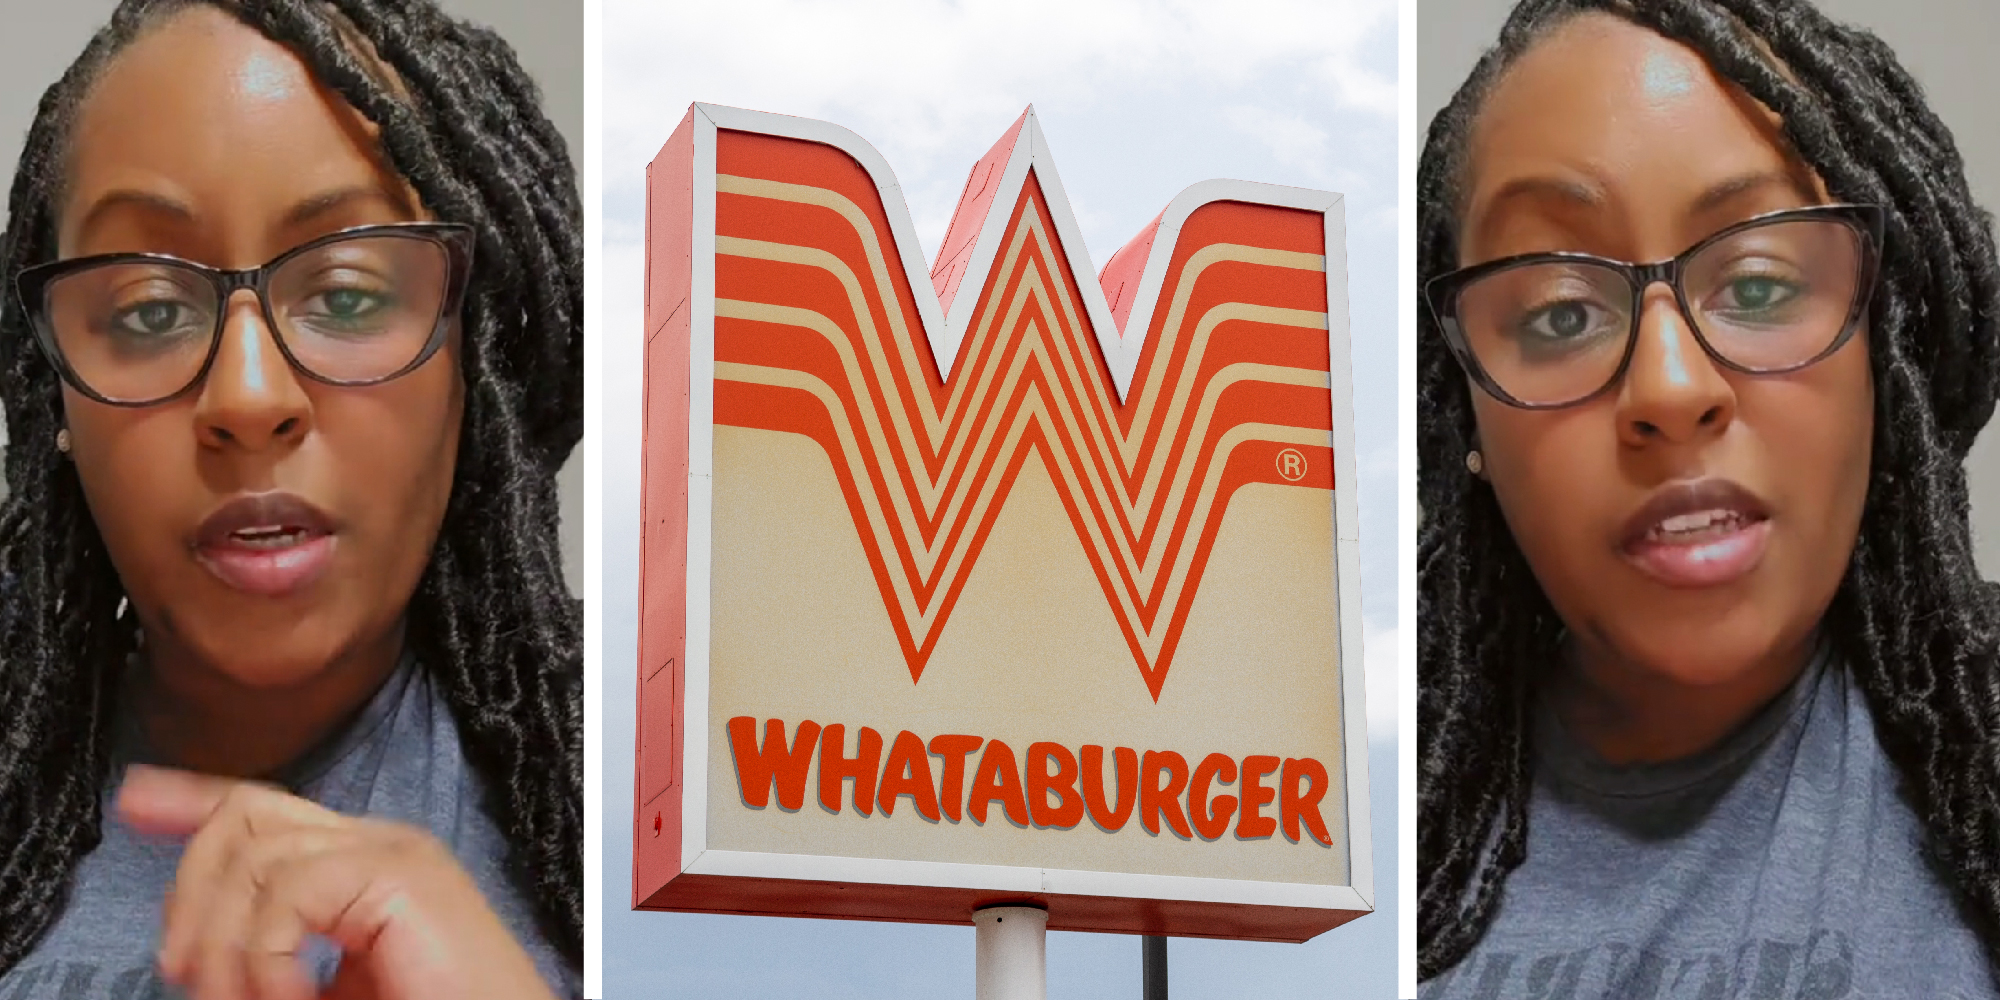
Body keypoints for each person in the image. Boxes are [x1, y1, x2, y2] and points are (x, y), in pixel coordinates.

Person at [1417, 0, 2000, 995]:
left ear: (1884, 351)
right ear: (1464, 409)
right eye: (1560, 314)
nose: (1669, 387)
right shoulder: (1375, 843)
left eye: (1760, 286)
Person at [0, 1, 581, 997]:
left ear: (471, 366)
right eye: (149, 310)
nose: (247, 397)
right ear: (56, 397)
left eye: (348, 295)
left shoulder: (623, 789)